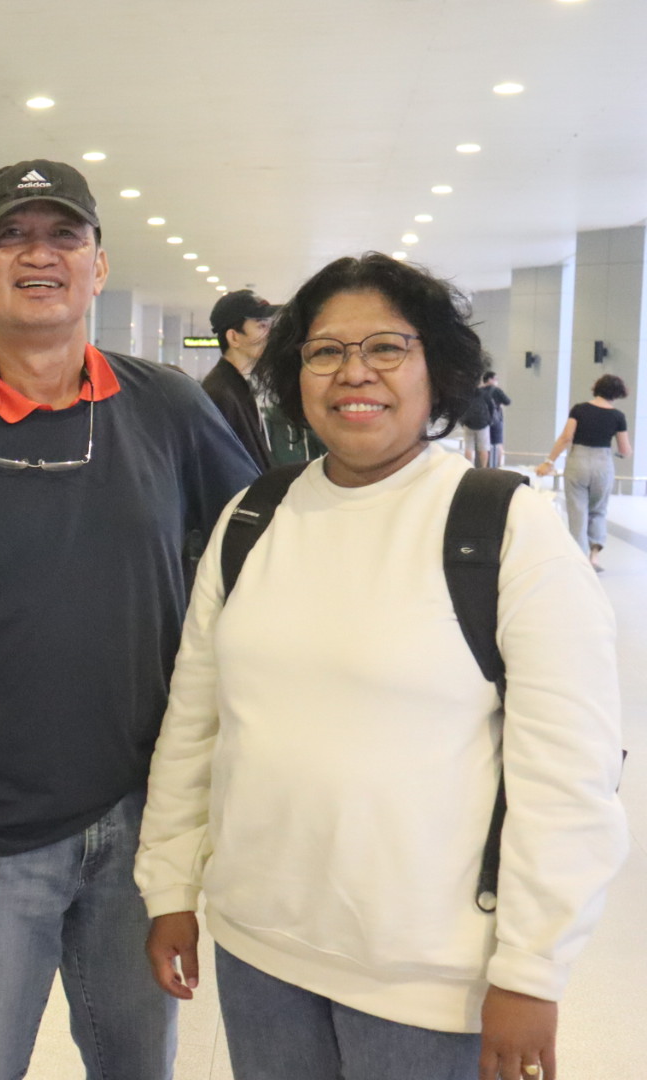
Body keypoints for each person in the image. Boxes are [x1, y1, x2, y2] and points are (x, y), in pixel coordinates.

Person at [136, 252, 628, 1080]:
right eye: (325, 351)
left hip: (430, 983)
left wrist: (532, 969)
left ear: (439, 370)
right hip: (259, 951)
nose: (354, 372)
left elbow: (567, 773)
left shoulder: (505, 528)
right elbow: (195, 721)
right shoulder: (254, 516)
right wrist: (170, 887)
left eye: (388, 348)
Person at [0, 159, 259, 1079]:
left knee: (137, 1066)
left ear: (99, 264)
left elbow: (262, 544)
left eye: (63, 236)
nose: (39, 255)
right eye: (11, 236)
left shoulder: (167, 409)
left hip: (145, 825)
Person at [537, 374, 630, 569]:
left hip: (577, 462)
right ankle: (594, 556)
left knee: (577, 510)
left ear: (596, 388)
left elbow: (566, 438)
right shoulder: (618, 416)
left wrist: (549, 462)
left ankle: (579, 559)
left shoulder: (579, 410)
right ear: (618, 393)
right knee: (599, 510)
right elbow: (625, 450)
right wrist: (620, 454)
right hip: (603, 464)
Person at [203, 289, 279, 473]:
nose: (270, 334)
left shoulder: (237, 385)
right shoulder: (219, 394)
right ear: (234, 337)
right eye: (261, 326)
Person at [483, 370, 513, 468]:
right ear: (490, 379)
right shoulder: (496, 390)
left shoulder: (479, 391)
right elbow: (508, 401)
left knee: (485, 444)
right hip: (496, 420)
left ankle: (485, 465)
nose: (497, 381)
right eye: (496, 379)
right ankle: (498, 465)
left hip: (483, 421)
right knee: (497, 443)